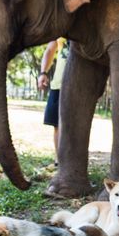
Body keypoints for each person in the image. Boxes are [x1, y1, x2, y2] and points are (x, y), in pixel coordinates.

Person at [37, 38, 69, 166]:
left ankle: (73, 158)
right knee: (57, 124)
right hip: (58, 84)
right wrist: (43, 73)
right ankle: (59, 159)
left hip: (79, 86)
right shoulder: (59, 30)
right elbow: (50, 49)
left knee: (74, 125)